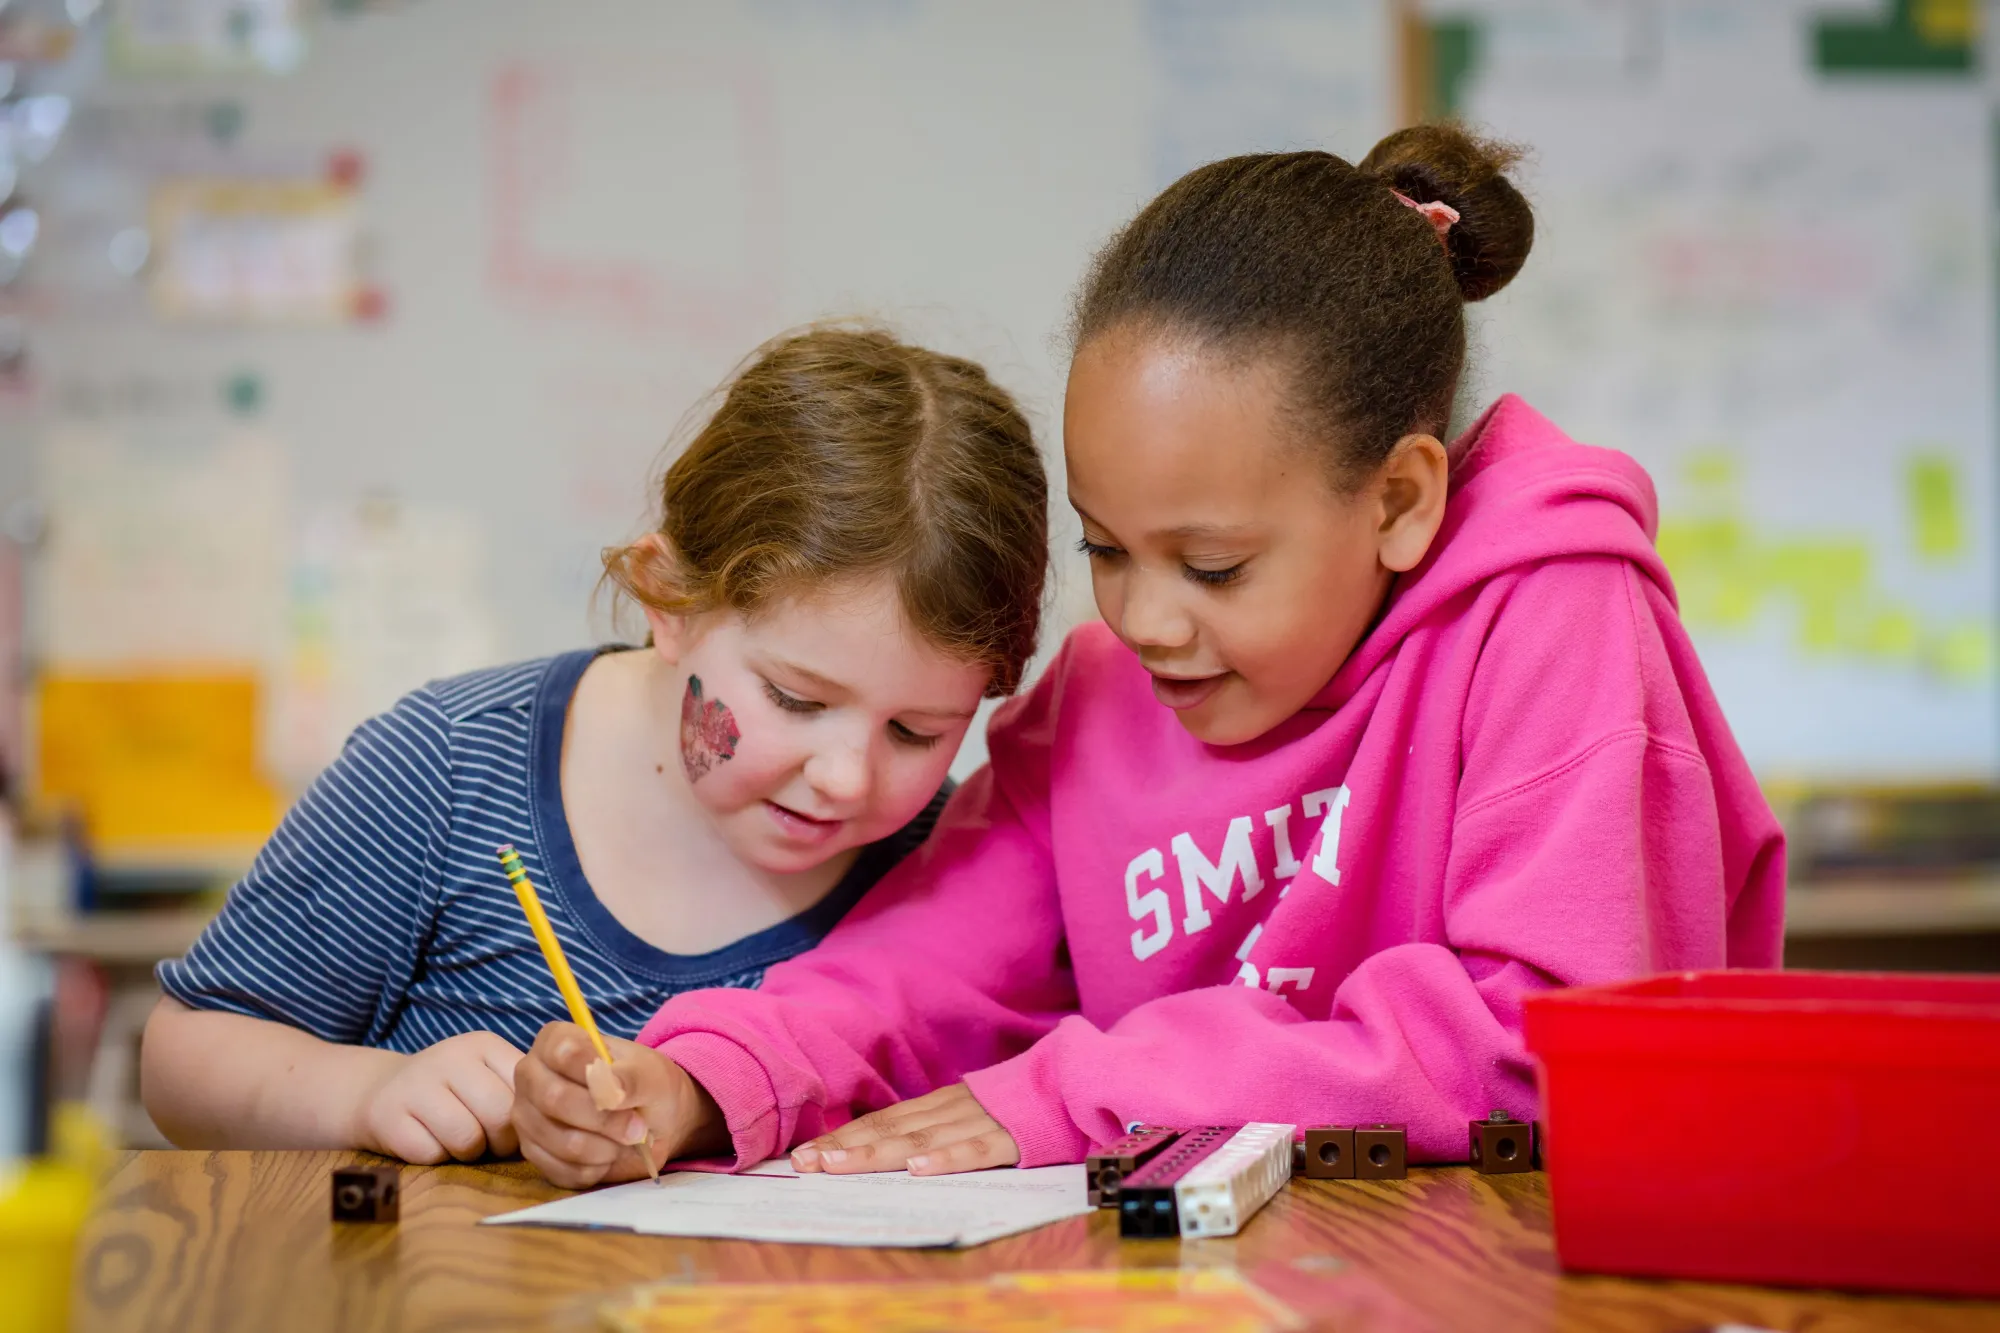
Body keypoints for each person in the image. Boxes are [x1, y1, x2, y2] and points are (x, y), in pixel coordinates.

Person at [510, 127, 1786, 1186]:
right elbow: (924, 965)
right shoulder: (1100, 696)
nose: (1143, 621)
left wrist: (1089, 1091)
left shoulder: (1553, 616)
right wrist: (698, 1078)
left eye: (1213, 566)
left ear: (1397, 501)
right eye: (1106, 548)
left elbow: (1544, 1045)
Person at [140, 326, 1049, 1168]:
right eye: (795, 697)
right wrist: (365, 1094)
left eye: (918, 730)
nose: (849, 776)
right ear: (670, 598)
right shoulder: (448, 770)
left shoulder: (947, 867)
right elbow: (184, 1056)